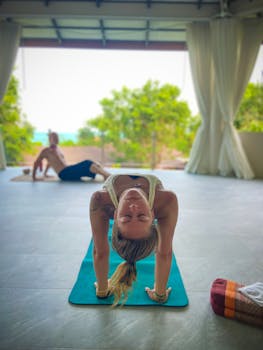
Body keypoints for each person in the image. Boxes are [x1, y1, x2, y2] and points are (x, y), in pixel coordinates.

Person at [90, 173, 178, 306]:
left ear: (115, 214)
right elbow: (164, 252)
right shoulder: (166, 200)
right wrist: (160, 294)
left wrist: (103, 290)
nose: (133, 208)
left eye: (126, 217)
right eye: (142, 216)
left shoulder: (101, 200)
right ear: (153, 213)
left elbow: (100, 252)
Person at [32, 131, 111, 181]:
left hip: (68, 170)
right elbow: (36, 162)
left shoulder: (57, 149)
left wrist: (45, 174)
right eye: (54, 137)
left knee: (94, 164)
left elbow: (49, 163)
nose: (56, 138)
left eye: (57, 137)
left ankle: (106, 175)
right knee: (87, 163)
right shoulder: (46, 151)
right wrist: (34, 177)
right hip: (64, 174)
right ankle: (108, 176)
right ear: (50, 139)